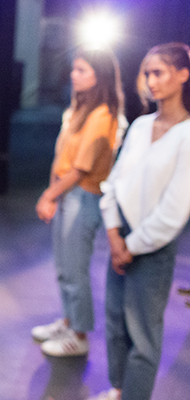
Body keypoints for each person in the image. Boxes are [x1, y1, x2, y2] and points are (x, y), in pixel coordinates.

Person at [91, 42, 190, 400]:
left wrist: (128, 246)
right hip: (122, 239)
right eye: (147, 73)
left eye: (159, 72)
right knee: (116, 325)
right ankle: (119, 390)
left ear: (183, 75)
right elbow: (114, 183)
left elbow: (175, 210)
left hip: (152, 248)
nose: (151, 80)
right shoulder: (140, 125)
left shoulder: (187, 135)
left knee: (143, 335)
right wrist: (116, 236)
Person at [31, 47, 125, 357]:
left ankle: (80, 337)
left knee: (75, 269)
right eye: (74, 69)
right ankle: (69, 322)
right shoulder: (80, 110)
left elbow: (80, 169)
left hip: (83, 197)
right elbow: (63, 159)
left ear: (100, 76)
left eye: (82, 70)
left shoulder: (103, 116)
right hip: (68, 194)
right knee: (64, 266)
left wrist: (49, 195)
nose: (74, 75)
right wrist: (54, 191)